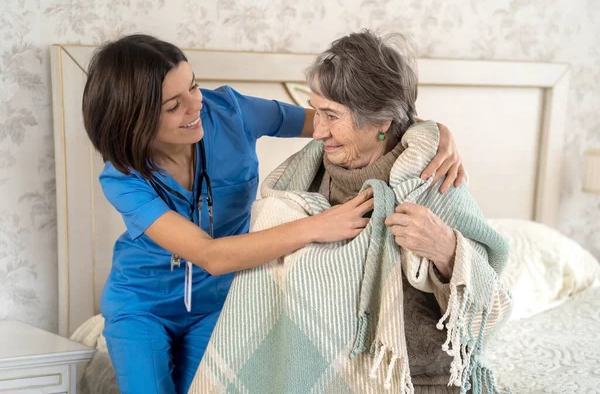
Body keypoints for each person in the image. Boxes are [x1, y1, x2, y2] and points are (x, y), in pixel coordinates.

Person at [82, 34, 466, 394]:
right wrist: (315, 227)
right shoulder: (122, 178)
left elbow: (340, 120)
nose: (196, 104)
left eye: (194, 86)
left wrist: (428, 130)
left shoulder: (230, 111)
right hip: (143, 304)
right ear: (133, 119)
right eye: (173, 105)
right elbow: (211, 255)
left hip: (221, 300)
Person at [190, 30, 512, 394]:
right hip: (308, 377)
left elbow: (493, 310)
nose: (318, 130)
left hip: (418, 380)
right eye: (316, 110)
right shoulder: (299, 183)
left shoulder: (433, 177)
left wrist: (448, 252)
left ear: (381, 121)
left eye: (331, 115)